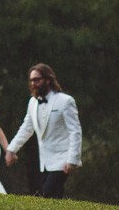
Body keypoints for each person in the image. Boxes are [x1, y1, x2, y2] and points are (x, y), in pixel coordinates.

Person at [5, 62, 81, 198]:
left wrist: (72, 159)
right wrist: (12, 149)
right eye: (31, 80)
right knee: (54, 197)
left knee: (46, 194)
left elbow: (75, 131)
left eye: (37, 80)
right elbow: (26, 128)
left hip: (63, 159)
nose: (33, 83)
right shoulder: (33, 103)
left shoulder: (65, 101)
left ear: (48, 80)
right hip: (44, 161)